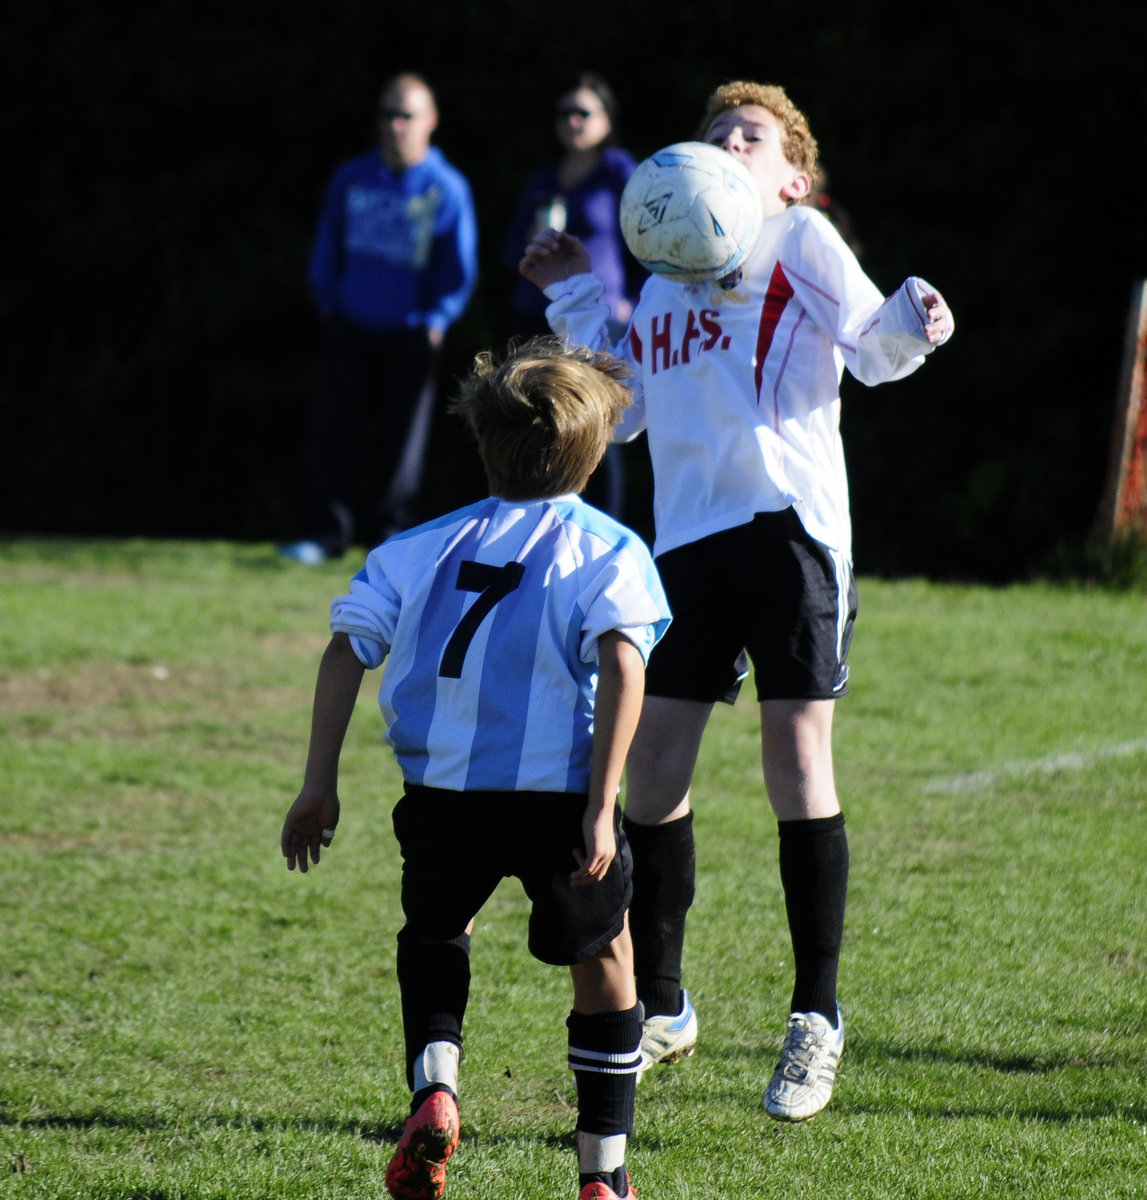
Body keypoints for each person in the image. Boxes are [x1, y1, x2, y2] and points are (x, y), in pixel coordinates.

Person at [519, 81, 955, 1122]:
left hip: (793, 532)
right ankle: (665, 1002)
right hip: (690, 543)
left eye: (748, 137)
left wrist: (914, 320)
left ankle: (816, 1019)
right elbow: (619, 418)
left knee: (796, 762)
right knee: (652, 770)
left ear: (788, 175)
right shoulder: (667, 278)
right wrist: (581, 297)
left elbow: (870, 349)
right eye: (714, 132)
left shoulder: (796, 237)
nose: (725, 143)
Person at [280, 336, 671, 1200]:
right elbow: (624, 663)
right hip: (560, 798)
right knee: (606, 959)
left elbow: (347, 649)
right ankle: (603, 1174)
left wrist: (320, 782)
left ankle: (437, 1091)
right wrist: (605, 806)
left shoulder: (417, 546)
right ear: (595, 444)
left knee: (434, 937)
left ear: (480, 437)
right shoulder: (606, 549)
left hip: (442, 795)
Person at [279, 73, 479, 565]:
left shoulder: (446, 188)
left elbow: (459, 267)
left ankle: (392, 545)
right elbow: (327, 247)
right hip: (349, 326)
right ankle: (324, 536)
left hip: (411, 335)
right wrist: (328, 302)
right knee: (333, 434)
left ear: (429, 121)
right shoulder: (352, 177)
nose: (395, 125)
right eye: (387, 114)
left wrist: (436, 319)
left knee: (402, 448)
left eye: (406, 115)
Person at [501, 72, 644, 518]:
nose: (573, 121)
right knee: (538, 423)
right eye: (565, 113)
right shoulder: (546, 179)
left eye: (584, 112)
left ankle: (603, 525)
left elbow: (650, 241)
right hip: (537, 313)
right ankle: (539, 518)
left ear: (607, 121)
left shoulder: (620, 172)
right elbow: (509, 252)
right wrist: (532, 241)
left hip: (601, 317)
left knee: (600, 425)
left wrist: (635, 303)